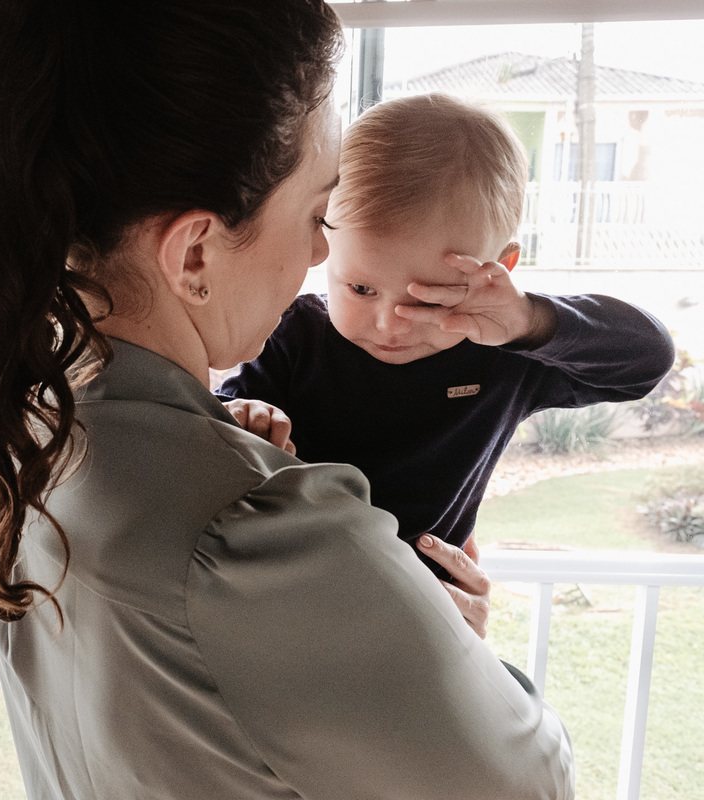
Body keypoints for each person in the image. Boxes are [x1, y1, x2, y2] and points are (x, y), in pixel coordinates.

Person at [0, 3, 574, 798]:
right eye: (316, 212)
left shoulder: (40, 432)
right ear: (194, 253)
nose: (324, 249)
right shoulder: (257, 533)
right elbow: (530, 783)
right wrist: (452, 649)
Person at [219, 93, 675, 608]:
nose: (390, 322)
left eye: (428, 300)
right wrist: (244, 415)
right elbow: (216, 438)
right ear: (323, 247)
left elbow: (648, 358)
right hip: (296, 592)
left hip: (430, 603)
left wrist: (529, 319)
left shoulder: (504, 351)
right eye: (361, 290)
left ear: (499, 271)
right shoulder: (293, 335)